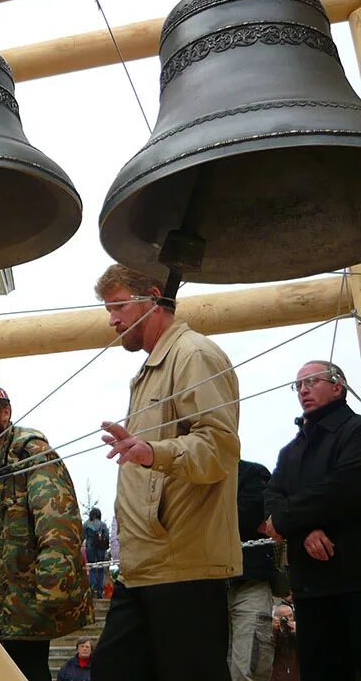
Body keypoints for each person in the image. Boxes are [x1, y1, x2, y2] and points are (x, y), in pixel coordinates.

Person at [92, 264, 241, 681]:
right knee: (112, 670)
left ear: (154, 298)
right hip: (146, 564)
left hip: (184, 563)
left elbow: (219, 449)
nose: (112, 320)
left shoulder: (193, 355)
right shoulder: (154, 367)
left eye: (119, 306)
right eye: (109, 310)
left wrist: (151, 453)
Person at [0, 382, 92, 681]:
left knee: (25, 670)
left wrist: (50, 591)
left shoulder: (31, 451)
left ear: (5, 412)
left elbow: (57, 522)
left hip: (24, 592)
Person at [262, 360, 361, 679]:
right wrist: (303, 529)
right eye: (298, 385)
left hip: (353, 575)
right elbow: (272, 496)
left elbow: (343, 487)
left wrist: (288, 520)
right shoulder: (291, 450)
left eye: (312, 381)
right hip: (310, 585)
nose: (303, 390)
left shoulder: (355, 431)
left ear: (337, 386)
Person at [228, 460, 276, 681]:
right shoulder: (191, 482)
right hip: (207, 588)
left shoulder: (253, 473)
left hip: (250, 583)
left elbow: (250, 514)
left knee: (248, 668)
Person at [82, 508, 110, 598]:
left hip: (90, 548)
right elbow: (107, 537)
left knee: (92, 568)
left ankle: (92, 587)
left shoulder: (86, 524)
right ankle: (100, 591)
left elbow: (82, 537)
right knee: (100, 568)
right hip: (100, 549)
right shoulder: (103, 524)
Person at [270, 603, 299, 681]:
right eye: (284, 617)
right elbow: (268, 650)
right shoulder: (272, 632)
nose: (288, 619)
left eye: (290, 616)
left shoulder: (296, 630)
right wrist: (273, 630)